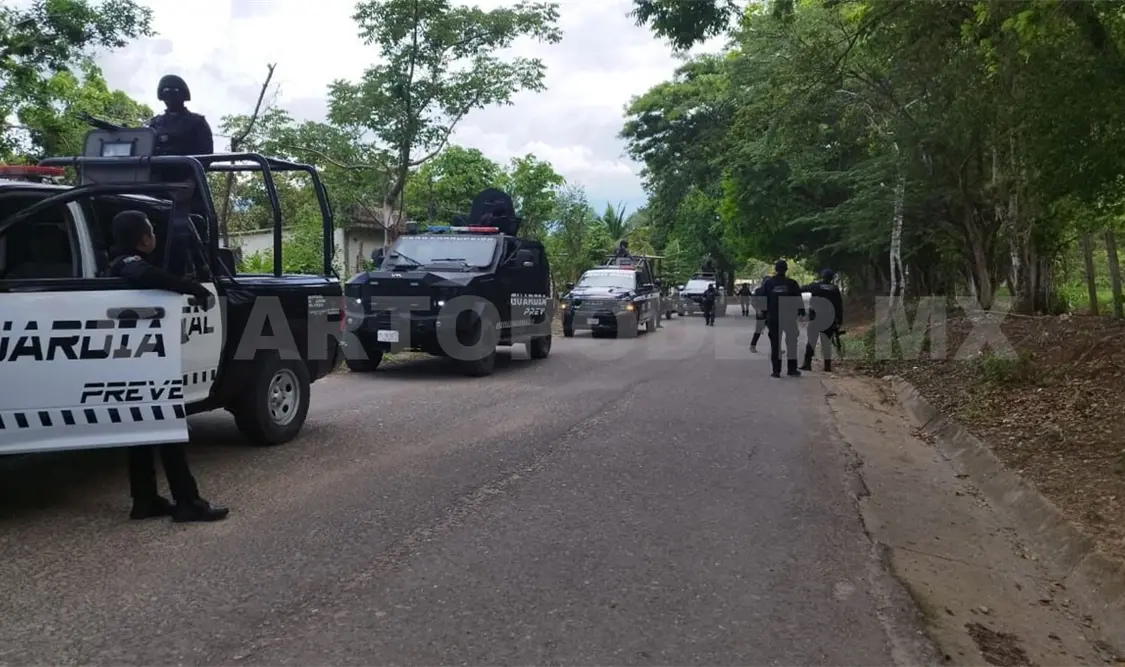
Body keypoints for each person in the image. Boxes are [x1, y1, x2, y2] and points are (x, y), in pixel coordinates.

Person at [108, 210, 229, 523]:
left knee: (141, 431)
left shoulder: (118, 262)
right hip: (141, 361)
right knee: (167, 428)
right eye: (151, 231)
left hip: (134, 358)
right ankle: (188, 502)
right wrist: (192, 288)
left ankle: (145, 500)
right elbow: (144, 276)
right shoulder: (125, 264)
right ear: (145, 238)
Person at [760, 260, 805, 378]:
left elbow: (763, 301)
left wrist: (764, 315)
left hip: (774, 318)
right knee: (791, 343)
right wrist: (801, 313)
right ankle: (792, 369)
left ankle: (776, 371)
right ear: (786, 269)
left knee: (775, 345)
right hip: (789, 318)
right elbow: (798, 300)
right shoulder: (792, 283)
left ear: (775, 269)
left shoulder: (769, 284)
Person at [801, 268, 844, 372]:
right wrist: (839, 321)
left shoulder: (815, 286)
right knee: (826, 342)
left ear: (822, 276)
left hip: (815, 318)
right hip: (829, 319)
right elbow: (839, 306)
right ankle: (827, 366)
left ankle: (807, 364)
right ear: (832, 278)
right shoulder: (834, 289)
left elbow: (801, 289)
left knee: (811, 341)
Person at [749, 275, 769, 352]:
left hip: (770, 313)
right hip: (761, 313)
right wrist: (758, 309)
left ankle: (777, 348)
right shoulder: (758, 291)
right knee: (758, 331)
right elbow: (753, 302)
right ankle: (752, 346)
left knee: (774, 332)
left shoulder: (772, 291)